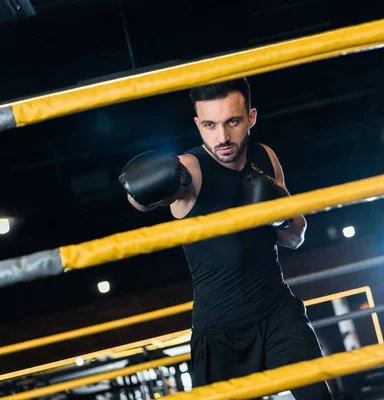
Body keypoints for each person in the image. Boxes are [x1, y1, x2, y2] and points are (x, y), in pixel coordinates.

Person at [118, 78, 333, 399]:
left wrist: (279, 214)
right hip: (219, 335)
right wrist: (141, 187)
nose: (222, 137)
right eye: (209, 125)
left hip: (277, 313)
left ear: (251, 117)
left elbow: (295, 238)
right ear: (197, 124)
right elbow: (139, 200)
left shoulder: (265, 157)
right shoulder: (189, 172)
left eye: (232, 122)